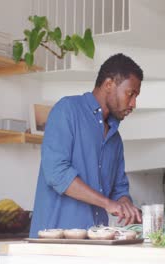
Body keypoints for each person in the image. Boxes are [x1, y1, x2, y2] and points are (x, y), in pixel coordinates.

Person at [29, 53, 144, 238]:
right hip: (54, 245)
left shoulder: (115, 139)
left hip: (94, 245)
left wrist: (124, 204)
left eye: (136, 96)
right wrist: (108, 204)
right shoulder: (67, 110)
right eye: (130, 94)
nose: (133, 103)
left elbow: (119, 190)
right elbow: (57, 173)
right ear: (109, 84)